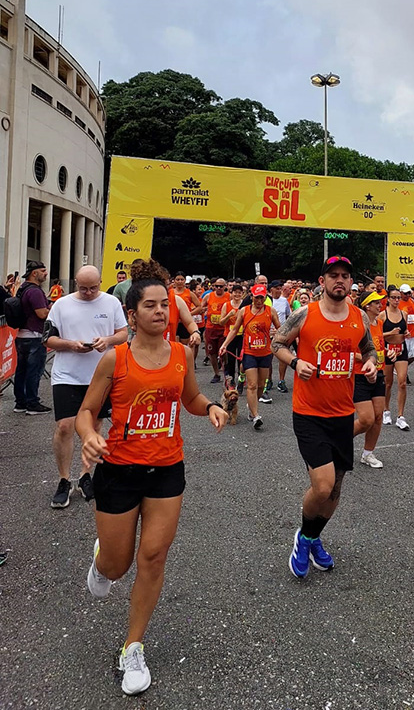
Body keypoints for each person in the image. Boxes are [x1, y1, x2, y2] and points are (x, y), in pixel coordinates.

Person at [76, 259, 228, 696]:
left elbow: (192, 398)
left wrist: (212, 407)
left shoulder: (181, 354)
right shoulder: (114, 359)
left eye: (166, 304)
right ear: (132, 314)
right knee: (117, 565)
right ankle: (103, 556)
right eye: (151, 305)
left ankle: (133, 646)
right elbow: (88, 411)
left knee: (154, 556)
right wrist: (88, 436)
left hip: (166, 469)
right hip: (119, 471)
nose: (161, 312)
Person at [271, 256, 377, 577]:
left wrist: (370, 364)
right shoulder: (305, 314)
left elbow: (369, 349)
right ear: (322, 282)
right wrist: (294, 363)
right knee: (322, 486)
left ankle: (313, 538)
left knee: (335, 491)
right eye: (334, 276)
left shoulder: (359, 317)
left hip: (342, 414)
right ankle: (302, 539)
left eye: (345, 275)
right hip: (309, 413)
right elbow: (277, 342)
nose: (340, 281)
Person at [43, 265, 128, 508]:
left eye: (93, 288)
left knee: (95, 426)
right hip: (67, 374)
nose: (89, 293)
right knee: (65, 426)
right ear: (75, 284)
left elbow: (123, 333)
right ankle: (63, 479)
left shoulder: (111, 302)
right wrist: (71, 344)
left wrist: (108, 340)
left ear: (101, 282)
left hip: (100, 375)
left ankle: (85, 475)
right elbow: (47, 338)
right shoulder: (61, 304)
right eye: (83, 288)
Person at [219, 284, 280, 429]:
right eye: (256, 297)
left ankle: (251, 406)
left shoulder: (270, 311)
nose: (259, 300)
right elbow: (234, 330)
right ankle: (255, 415)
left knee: (260, 385)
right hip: (249, 352)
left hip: (265, 353)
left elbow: (280, 329)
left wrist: (277, 336)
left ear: (265, 297)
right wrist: (225, 345)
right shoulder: (243, 311)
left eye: (261, 297)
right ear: (251, 296)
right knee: (251, 385)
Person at [353, 290, 387, 468]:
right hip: (360, 374)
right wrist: (368, 360)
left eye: (380, 302)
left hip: (378, 373)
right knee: (367, 419)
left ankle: (368, 454)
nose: (380, 304)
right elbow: (352, 352)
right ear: (367, 305)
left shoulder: (379, 323)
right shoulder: (359, 325)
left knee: (378, 416)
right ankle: (339, 440)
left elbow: (378, 347)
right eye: (376, 302)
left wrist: (386, 353)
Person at [12, 260, 51, 414]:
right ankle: (32, 403)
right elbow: (41, 313)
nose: (46, 273)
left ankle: (20, 402)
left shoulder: (23, 288)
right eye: (43, 270)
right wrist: (52, 308)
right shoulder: (34, 291)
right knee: (34, 371)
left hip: (23, 335)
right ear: (34, 273)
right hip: (34, 335)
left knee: (21, 370)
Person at [379, 285, 410, 430]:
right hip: (388, 350)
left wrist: (407, 334)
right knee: (388, 383)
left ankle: (401, 416)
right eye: (394, 297)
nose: (397, 300)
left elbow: (405, 330)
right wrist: (390, 332)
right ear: (388, 299)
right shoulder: (383, 315)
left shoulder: (404, 313)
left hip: (401, 350)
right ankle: (386, 410)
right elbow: (376, 335)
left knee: (402, 382)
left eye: (398, 297)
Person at [203, 278, 229, 383]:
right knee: (212, 353)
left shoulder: (228, 296)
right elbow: (201, 306)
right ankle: (216, 373)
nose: (218, 288)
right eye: (216, 286)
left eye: (221, 286)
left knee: (223, 352)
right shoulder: (209, 296)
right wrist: (204, 311)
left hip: (223, 329)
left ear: (225, 287)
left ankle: (226, 371)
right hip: (211, 328)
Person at [219, 284, 244, 388]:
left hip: (242, 335)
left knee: (241, 358)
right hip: (229, 335)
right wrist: (229, 315)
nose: (237, 294)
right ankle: (231, 379)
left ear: (242, 294)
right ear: (231, 293)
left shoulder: (244, 305)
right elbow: (221, 322)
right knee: (230, 358)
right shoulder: (227, 305)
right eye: (235, 292)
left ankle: (241, 378)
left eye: (239, 292)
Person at [268, 280, 292, 393]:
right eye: (276, 288)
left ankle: (281, 381)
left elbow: (289, 316)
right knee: (268, 358)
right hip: (268, 333)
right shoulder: (267, 300)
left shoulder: (284, 301)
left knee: (283, 358)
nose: (278, 290)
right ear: (271, 289)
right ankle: (269, 380)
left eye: (280, 288)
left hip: (281, 333)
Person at [398, 284, 414, 366]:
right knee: (404, 355)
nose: (407, 295)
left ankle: (403, 369)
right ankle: (403, 372)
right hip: (404, 334)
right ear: (400, 293)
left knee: (413, 356)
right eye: (405, 293)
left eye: (409, 293)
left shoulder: (412, 301)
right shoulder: (398, 303)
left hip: (413, 333)